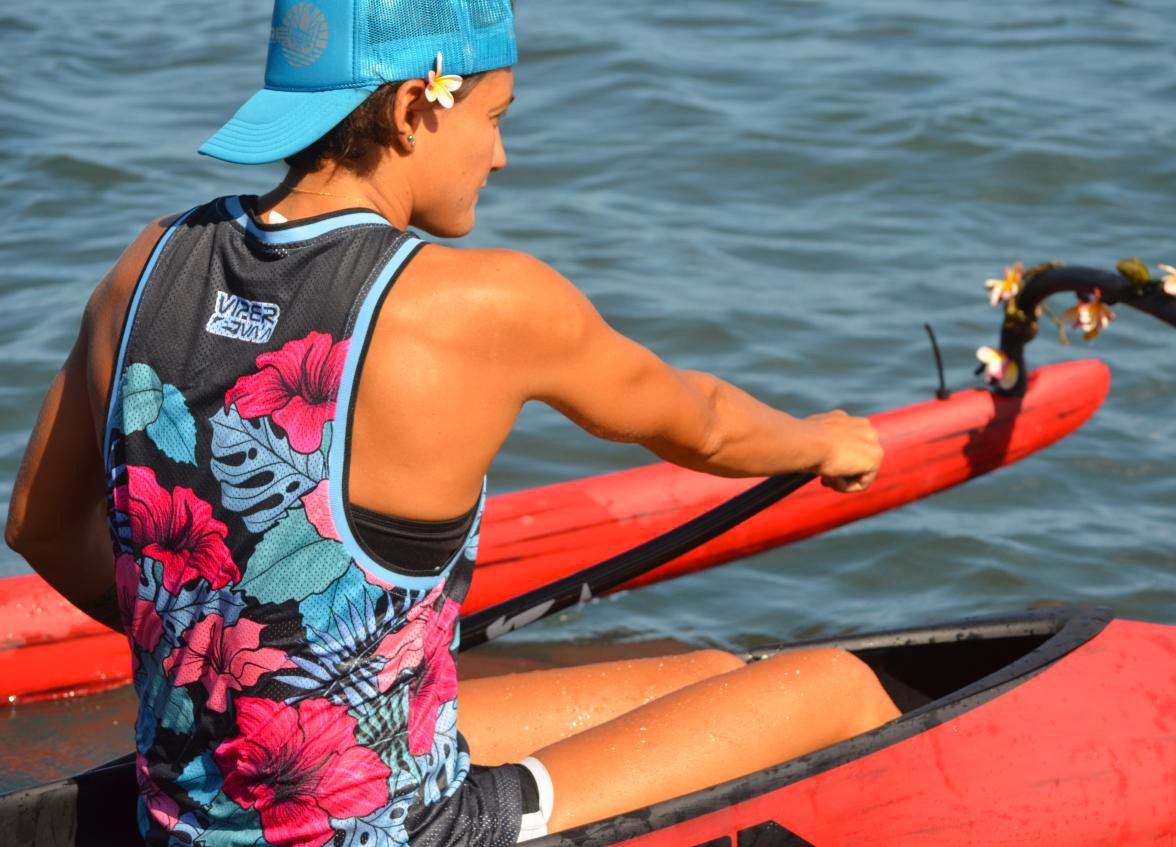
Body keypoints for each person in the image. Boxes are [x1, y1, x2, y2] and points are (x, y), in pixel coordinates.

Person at [4, 1, 899, 844]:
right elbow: (702, 424)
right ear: (410, 111)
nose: (499, 156)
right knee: (837, 687)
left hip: (181, 817)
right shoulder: (479, 304)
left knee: (701, 677)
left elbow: (38, 525)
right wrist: (825, 441)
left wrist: (211, 654)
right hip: (407, 830)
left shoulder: (146, 264)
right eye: (493, 117)